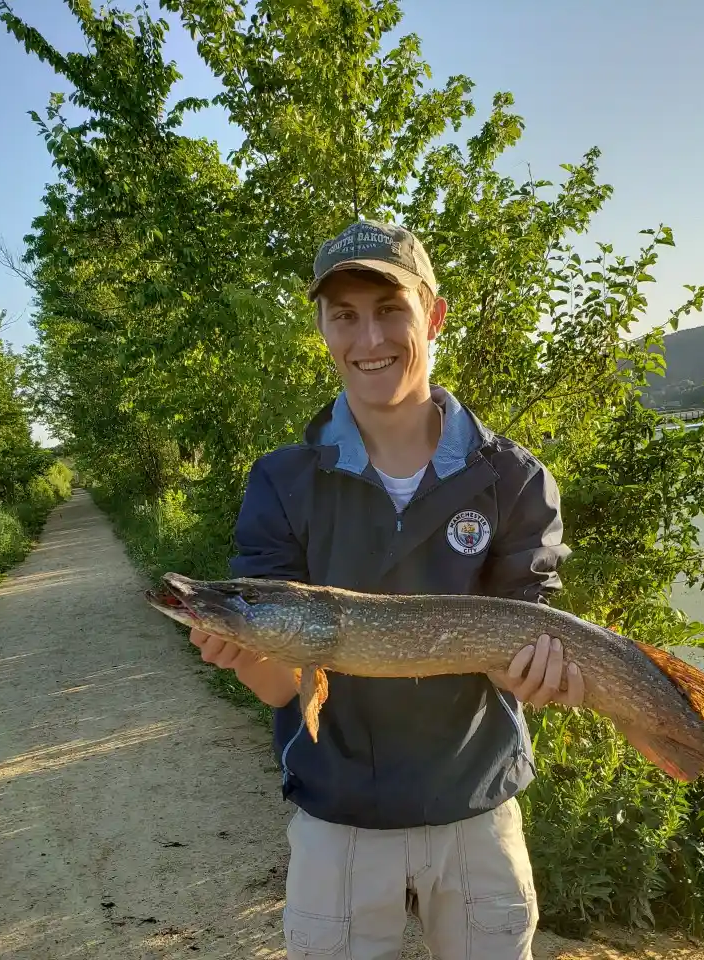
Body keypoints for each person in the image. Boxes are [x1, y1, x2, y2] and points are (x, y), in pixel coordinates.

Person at [190, 219, 585, 959]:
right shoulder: (284, 480)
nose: (368, 337)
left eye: (389, 309)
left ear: (432, 316)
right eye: (344, 316)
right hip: (338, 824)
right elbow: (285, 688)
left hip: (474, 815)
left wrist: (538, 675)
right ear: (323, 330)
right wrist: (240, 647)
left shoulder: (513, 477)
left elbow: (522, 650)